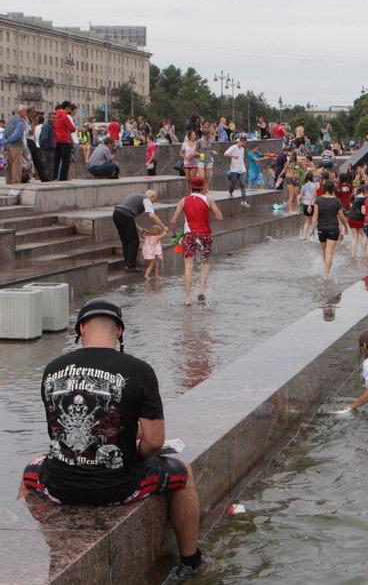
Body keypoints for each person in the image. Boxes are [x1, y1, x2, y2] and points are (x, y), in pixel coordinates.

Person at [20, 298, 207, 582]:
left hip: (57, 485)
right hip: (117, 489)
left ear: (81, 328)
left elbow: (57, 432)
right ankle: (191, 562)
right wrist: (135, 451)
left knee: (29, 472)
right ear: (119, 331)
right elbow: (155, 442)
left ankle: (28, 554)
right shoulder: (139, 369)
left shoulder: (52, 369)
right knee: (184, 474)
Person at [169, 177, 224, 305]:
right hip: (204, 234)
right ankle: (200, 290)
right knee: (205, 263)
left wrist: (174, 236)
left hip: (189, 235)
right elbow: (220, 218)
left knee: (188, 267)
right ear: (203, 187)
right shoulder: (208, 199)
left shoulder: (183, 201)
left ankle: (188, 299)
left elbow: (173, 221)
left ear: (191, 187)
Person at [113, 191, 166, 273]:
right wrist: (163, 227)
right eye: (153, 201)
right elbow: (152, 216)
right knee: (134, 241)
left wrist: (140, 229)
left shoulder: (135, 196)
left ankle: (127, 263)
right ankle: (130, 265)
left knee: (125, 241)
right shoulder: (146, 199)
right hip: (125, 215)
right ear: (151, 196)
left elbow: (130, 219)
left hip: (116, 213)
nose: (152, 203)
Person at [311, 179, 346, 279]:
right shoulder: (336, 201)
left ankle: (326, 270)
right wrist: (345, 227)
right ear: (332, 189)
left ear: (324, 188)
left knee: (324, 252)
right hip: (333, 228)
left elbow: (315, 216)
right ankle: (326, 274)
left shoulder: (318, 200)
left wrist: (312, 229)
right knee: (329, 252)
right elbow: (342, 216)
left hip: (321, 228)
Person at [224, 136, 251, 207]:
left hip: (242, 169)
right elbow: (225, 154)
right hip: (234, 169)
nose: (244, 145)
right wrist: (233, 156)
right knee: (233, 182)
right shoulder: (233, 147)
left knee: (243, 184)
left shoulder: (242, 149)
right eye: (243, 143)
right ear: (240, 142)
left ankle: (244, 200)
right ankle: (230, 191)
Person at [4, 104, 25, 185]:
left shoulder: (9, 120)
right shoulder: (19, 121)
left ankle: (8, 181)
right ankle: (15, 181)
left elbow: (5, 133)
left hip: (8, 145)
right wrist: (10, 139)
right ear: (19, 111)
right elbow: (17, 134)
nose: (25, 113)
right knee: (17, 164)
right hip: (15, 145)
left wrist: (5, 141)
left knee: (9, 164)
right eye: (24, 111)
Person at [277, 149, 302, 214]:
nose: (290, 157)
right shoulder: (288, 162)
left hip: (296, 178)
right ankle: (290, 209)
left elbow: (304, 168)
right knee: (291, 194)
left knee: (295, 195)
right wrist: (279, 176)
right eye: (290, 155)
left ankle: (295, 209)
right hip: (289, 178)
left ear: (294, 156)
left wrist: (302, 177)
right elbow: (284, 169)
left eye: (291, 155)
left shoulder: (299, 162)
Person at [299, 172, 318, 240]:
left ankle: (304, 236)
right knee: (314, 220)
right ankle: (313, 235)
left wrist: (300, 201)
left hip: (305, 204)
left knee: (307, 221)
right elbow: (316, 194)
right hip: (313, 204)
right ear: (312, 178)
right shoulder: (315, 185)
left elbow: (301, 196)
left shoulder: (303, 186)